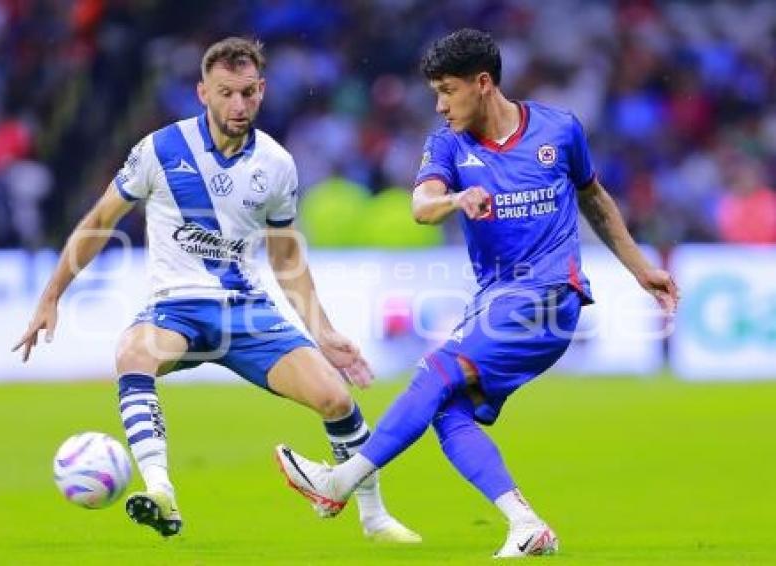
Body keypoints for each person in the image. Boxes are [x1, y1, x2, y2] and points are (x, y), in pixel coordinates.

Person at [275, 28, 679, 558]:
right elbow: (421, 206)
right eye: (436, 93)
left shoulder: (560, 130)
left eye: (448, 90)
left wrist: (639, 266)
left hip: (550, 295)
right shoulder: (447, 144)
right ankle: (524, 523)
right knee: (448, 411)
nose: (440, 105)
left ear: (482, 83)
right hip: (497, 300)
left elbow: (594, 198)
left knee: (435, 373)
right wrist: (456, 200)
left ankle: (341, 480)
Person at [12, 36, 419, 543]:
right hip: (176, 310)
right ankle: (161, 491)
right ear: (203, 92)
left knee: (336, 399)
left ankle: (374, 518)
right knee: (133, 353)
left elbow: (286, 256)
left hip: (247, 313)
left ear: (263, 91)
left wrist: (324, 331)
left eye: (248, 93)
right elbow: (99, 221)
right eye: (226, 92)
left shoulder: (277, 164)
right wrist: (52, 295)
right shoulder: (160, 149)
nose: (238, 105)